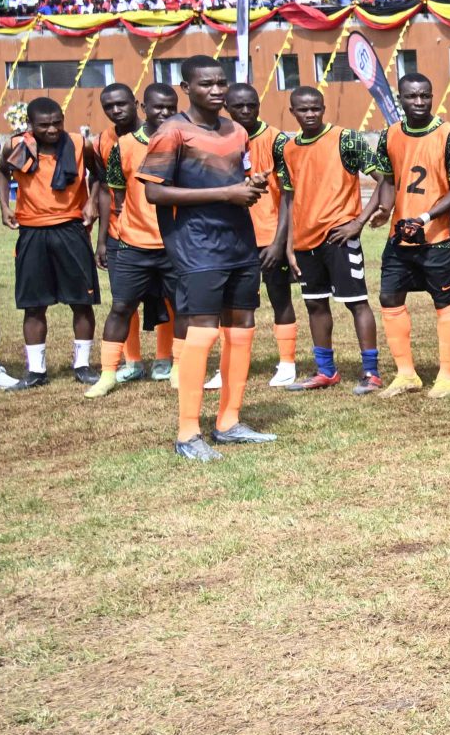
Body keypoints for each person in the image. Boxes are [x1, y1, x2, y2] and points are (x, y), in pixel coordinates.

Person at [137, 59, 275, 460]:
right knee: (202, 331)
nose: (217, 91)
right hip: (199, 246)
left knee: (242, 327)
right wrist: (225, 194)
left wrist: (249, 186)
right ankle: (187, 434)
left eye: (221, 83)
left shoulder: (237, 131)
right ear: (186, 88)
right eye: (207, 84)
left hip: (240, 243)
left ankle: (229, 422)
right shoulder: (172, 132)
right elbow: (155, 194)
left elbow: (237, 178)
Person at [273, 86, 384, 394]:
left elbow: (384, 178)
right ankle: (325, 371)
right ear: (292, 111)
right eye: (303, 109)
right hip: (304, 242)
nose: (310, 114)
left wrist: (358, 223)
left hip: (338, 236)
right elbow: (289, 198)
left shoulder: (346, 139)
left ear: (324, 109)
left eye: (316, 109)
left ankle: (371, 373)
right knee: (315, 305)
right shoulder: (287, 148)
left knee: (356, 303)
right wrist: (289, 247)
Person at [369, 73, 450, 397]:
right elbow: (388, 181)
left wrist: (425, 217)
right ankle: (406, 373)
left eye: (425, 96)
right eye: (412, 97)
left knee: (444, 301)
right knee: (389, 298)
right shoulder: (390, 134)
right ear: (401, 99)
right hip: (400, 237)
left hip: (435, 237)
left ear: (432, 96)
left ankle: (446, 375)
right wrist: (384, 209)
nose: (420, 102)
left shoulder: (449, 134)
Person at [0, 97, 100, 386]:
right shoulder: (18, 145)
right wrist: (5, 206)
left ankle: (82, 366)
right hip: (32, 231)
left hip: (71, 229)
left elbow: (97, 175)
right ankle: (36, 371)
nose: (53, 129)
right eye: (44, 125)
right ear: (31, 125)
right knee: (33, 304)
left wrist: (91, 203)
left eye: (57, 122)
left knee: (82, 301)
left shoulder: (81, 144)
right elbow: (2, 173)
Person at [86, 82, 179, 395]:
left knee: (182, 306)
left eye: (170, 107)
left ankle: (177, 365)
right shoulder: (122, 146)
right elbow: (115, 193)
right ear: (145, 108)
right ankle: (110, 372)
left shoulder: (183, 141)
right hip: (132, 243)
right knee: (122, 306)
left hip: (174, 242)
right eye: (158, 107)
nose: (164, 113)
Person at [219, 82, 299, 392]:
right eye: (239, 106)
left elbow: (288, 195)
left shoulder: (276, 140)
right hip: (231, 237)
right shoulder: (219, 138)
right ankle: (231, 365)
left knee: (279, 296)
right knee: (234, 304)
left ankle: (288, 362)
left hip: (268, 235)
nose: (246, 111)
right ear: (228, 108)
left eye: (251, 105)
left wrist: (280, 241)